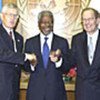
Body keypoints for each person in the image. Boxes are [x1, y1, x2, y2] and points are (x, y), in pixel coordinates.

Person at [24, 10, 70, 100]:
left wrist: (58, 61)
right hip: (35, 93)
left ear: (53, 23)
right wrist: (32, 64)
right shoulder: (30, 42)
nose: (47, 25)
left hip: (56, 93)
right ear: (38, 24)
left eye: (49, 22)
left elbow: (67, 67)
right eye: (43, 22)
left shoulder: (62, 42)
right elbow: (25, 67)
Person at [0, 3, 36, 100]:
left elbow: (18, 62)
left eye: (15, 16)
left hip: (14, 89)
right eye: (9, 15)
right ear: (1, 16)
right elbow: (2, 54)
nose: (12, 18)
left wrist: (32, 64)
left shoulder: (19, 38)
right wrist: (25, 56)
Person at [71, 8, 100, 100]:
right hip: (82, 93)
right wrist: (59, 60)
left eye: (90, 19)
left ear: (97, 20)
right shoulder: (76, 39)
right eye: (84, 19)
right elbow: (70, 61)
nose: (87, 22)